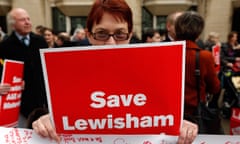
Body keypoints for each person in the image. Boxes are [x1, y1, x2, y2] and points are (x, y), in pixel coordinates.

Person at [32, 0, 198, 143]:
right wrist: (47, 121)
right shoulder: (67, 74)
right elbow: (62, 116)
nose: (111, 43)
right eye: (102, 34)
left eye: (120, 34)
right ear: (89, 35)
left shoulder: (153, 73)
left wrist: (181, 125)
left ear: (130, 35)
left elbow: (165, 116)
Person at [175, 11, 222, 134]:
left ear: (176, 29)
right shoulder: (204, 56)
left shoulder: (164, 52)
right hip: (194, 115)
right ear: (198, 33)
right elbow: (215, 88)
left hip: (169, 115)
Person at [0, 8, 49, 128]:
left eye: (28, 19)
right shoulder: (5, 46)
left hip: (42, 99)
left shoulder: (40, 41)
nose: (27, 22)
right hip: (18, 103)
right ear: (13, 25)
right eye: (22, 20)